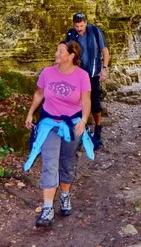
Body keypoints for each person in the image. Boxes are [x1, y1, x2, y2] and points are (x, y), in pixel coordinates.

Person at [24, 41, 93, 227]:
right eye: (57, 49)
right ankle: (47, 208)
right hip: (49, 124)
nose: (56, 53)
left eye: (60, 50)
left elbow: (86, 101)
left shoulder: (82, 76)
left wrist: (84, 120)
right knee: (49, 163)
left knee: (67, 161)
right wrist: (30, 113)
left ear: (71, 55)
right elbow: (39, 94)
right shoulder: (47, 72)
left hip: (72, 125)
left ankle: (64, 196)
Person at [66, 12, 110, 146]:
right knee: (77, 104)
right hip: (77, 76)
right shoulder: (71, 35)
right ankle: (80, 132)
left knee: (95, 104)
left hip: (93, 74)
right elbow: (67, 54)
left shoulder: (95, 32)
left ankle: (98, 131)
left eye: (81, 25)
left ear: (86, 23)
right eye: (77, 26)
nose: (79, 28)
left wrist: (105, 68)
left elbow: (105, 51)